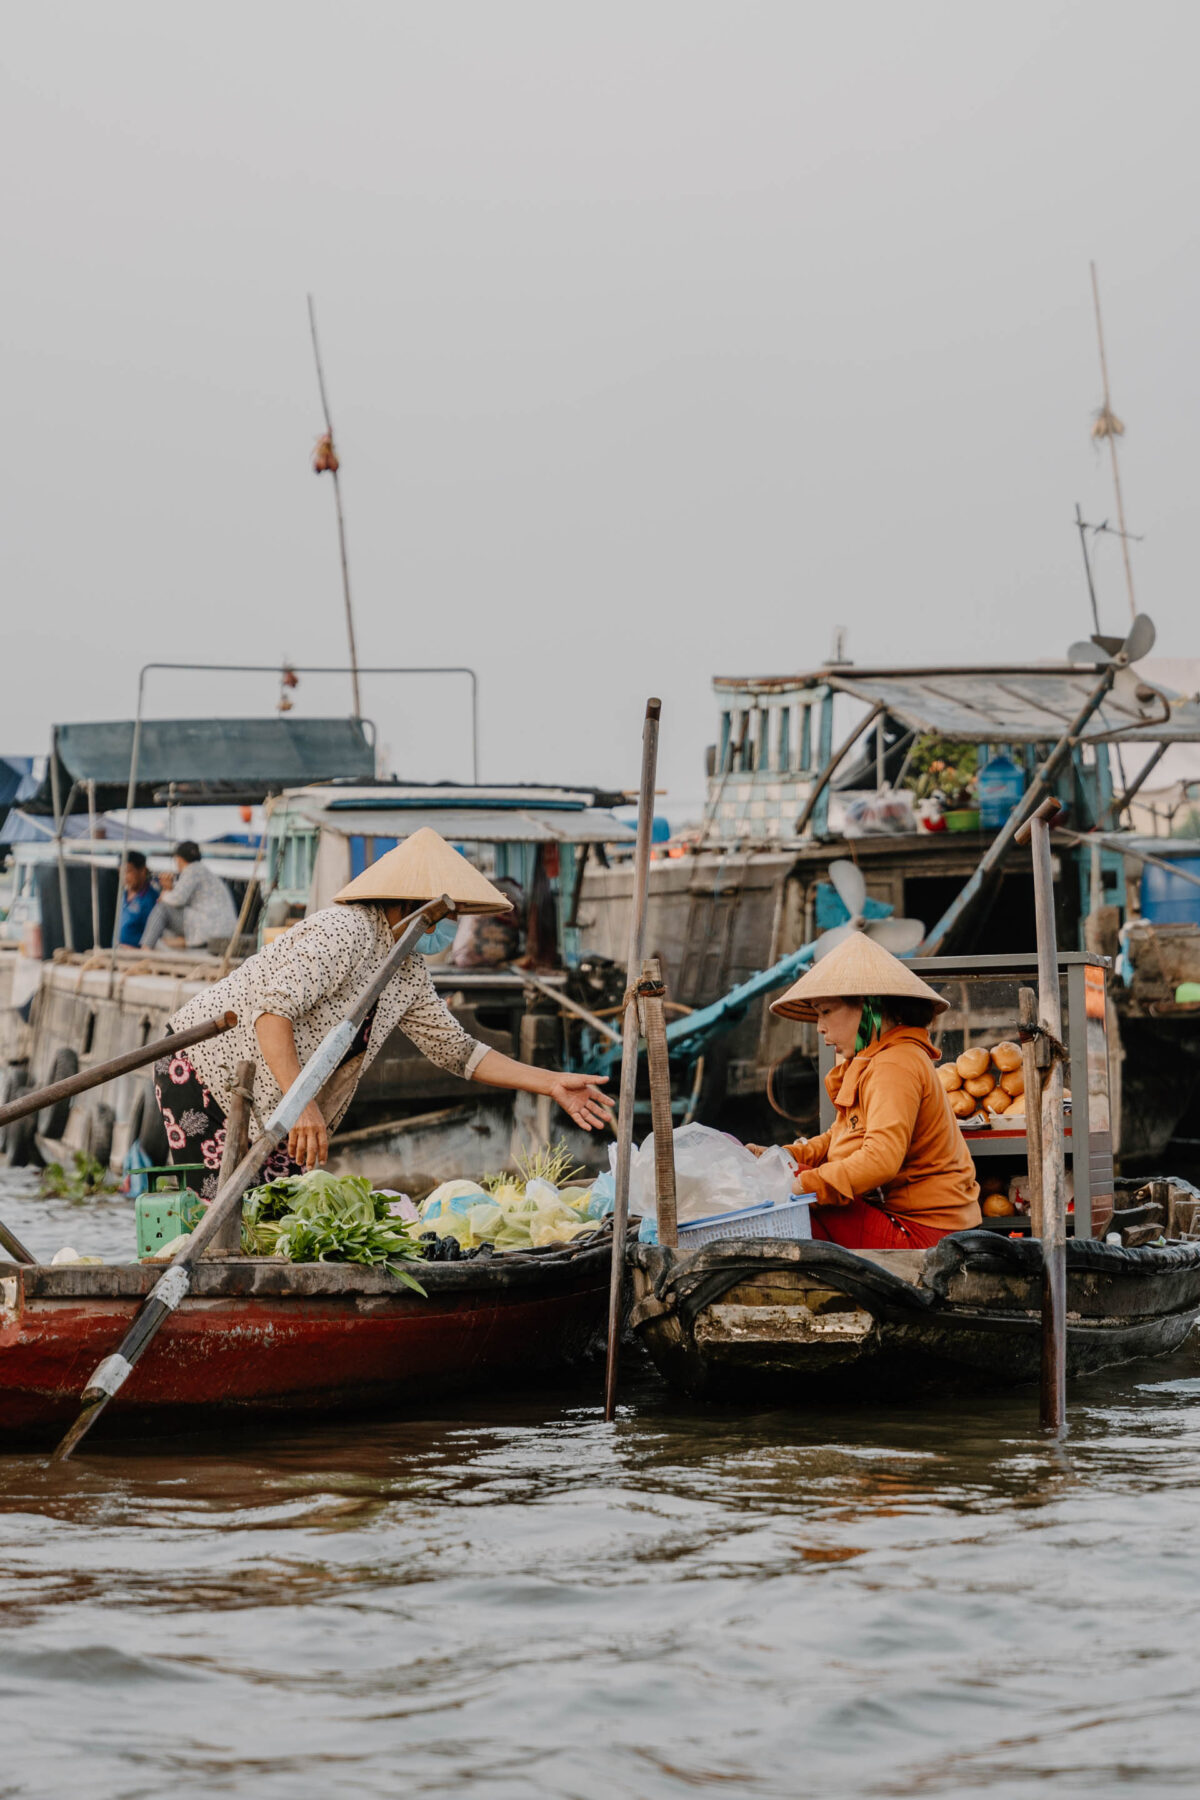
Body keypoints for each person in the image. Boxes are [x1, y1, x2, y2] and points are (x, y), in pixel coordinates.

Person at [156, 827, 613, 1195]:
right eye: (441, 915)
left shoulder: (407, 968)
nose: (446, 929)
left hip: (279, 1095)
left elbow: (458, 1051)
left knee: (278, 1213)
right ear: (415, 904)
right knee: (227, 1220)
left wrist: (551, 1083)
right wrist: (304, 1106)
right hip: (203, 1068)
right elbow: (272, 1015)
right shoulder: (345, 930)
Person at [762, 931, 981, 1249]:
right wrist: (784, 1157)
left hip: (923, 1233)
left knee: (793, 1208)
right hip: (906, 1221)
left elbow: (880, 1160)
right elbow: (839, 1137)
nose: (820, 1026)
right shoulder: (872, 1060)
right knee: (789, 1179)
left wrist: (798, 1184)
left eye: (825, 1011)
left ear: (867, 1007)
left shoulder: (894, 1064)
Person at [142, 840, 238, 951]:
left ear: (178, 858)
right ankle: (181, 941)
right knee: (169, 916)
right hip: (221, 929)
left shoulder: (192, 870)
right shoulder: (204, 872)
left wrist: (164, 895)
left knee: (162, 909)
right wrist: (169, 889)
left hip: (209, 927)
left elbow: (177, 899)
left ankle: (145, 949)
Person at [118, 850, 159, 947]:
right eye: (120, 872)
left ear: (142, 871)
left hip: (138, 957)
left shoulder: (151, 899)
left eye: (128, 871)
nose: (124, 877)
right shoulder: (123, 895)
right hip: (118, 954)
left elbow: (155, 936)